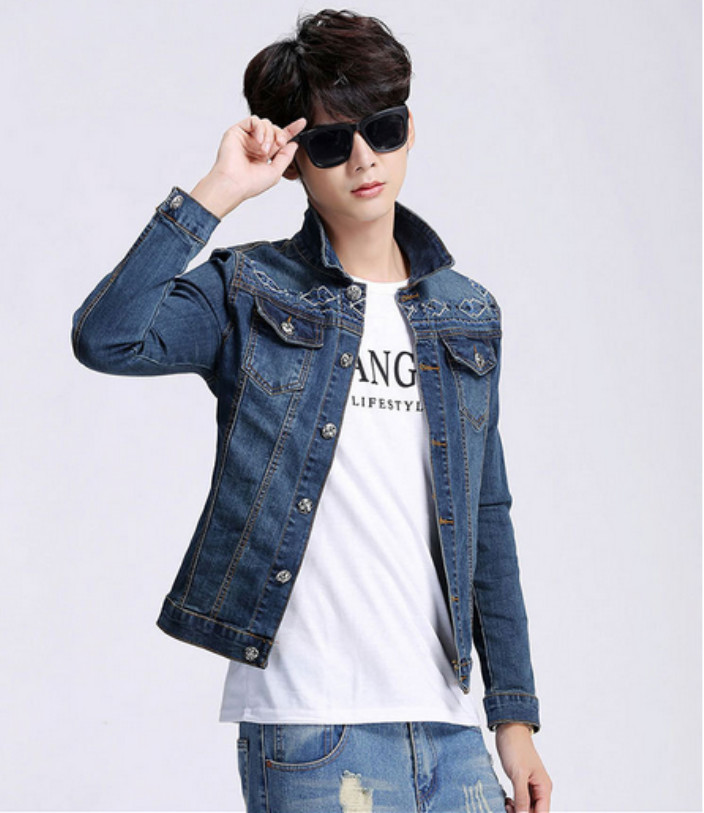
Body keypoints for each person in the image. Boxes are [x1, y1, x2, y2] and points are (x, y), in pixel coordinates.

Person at [71, 8, 552, 813]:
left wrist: (514, 716)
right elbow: (107, 336)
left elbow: (487, 517)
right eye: (331, 144)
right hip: (311, 729)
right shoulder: (250, 291)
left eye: (383, 130)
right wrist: (220, 190)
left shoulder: (466, 312)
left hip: (450, 730)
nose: (364, 158)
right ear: (296, 161)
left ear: (409, 128)